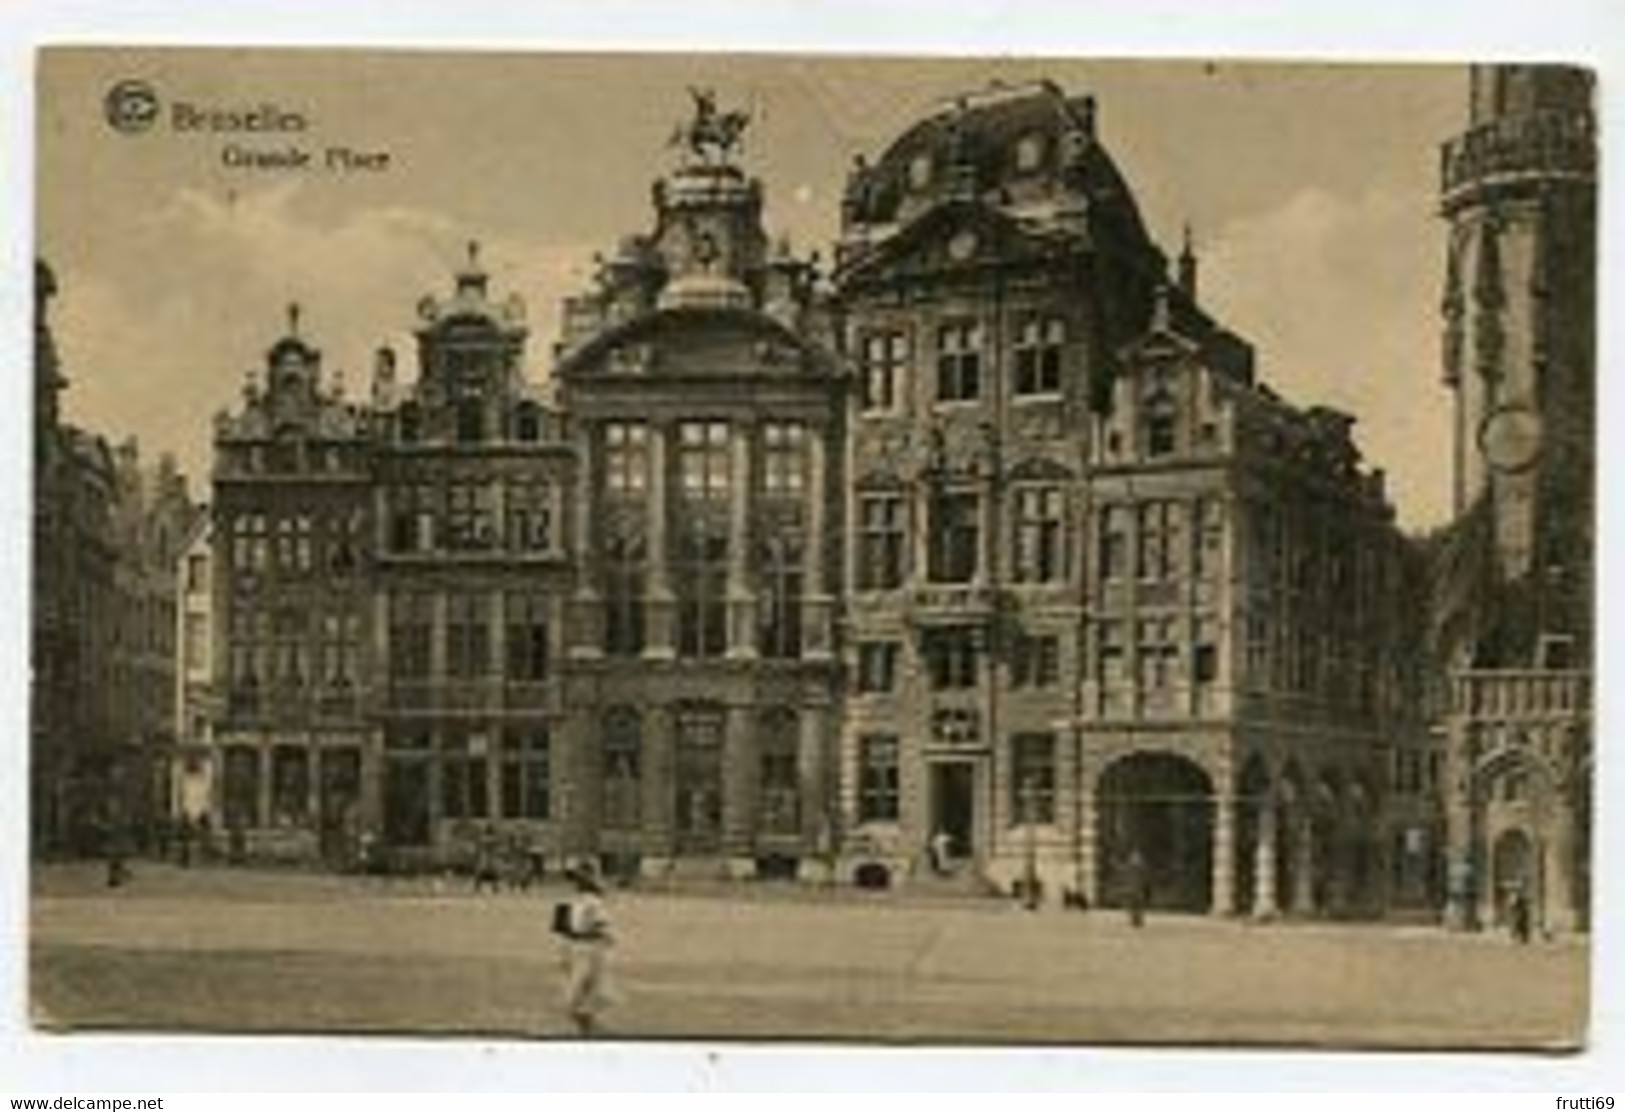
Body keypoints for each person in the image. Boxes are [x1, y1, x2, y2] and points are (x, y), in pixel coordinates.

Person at [556, 859, 615, 1037]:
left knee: (579, 998)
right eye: (574, 878)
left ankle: (590, 1031)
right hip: (577, 949)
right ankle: (589, 1031)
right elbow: (562, 929)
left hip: (589, 950)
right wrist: (564, 952)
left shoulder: (593, 901)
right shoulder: (570, 901)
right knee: (577, 999)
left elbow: (604, 930)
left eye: (580, 877)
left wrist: (600, 941)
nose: (576, 882)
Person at [1123, 848, 1149, 928]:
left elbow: (1143, 879)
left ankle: (1137, 920)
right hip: (1135, 888)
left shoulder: (1138, 869)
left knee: (1137, 905)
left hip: (1137, 889)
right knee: (1135, 905)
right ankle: (1135, 920)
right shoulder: (1134, 868)